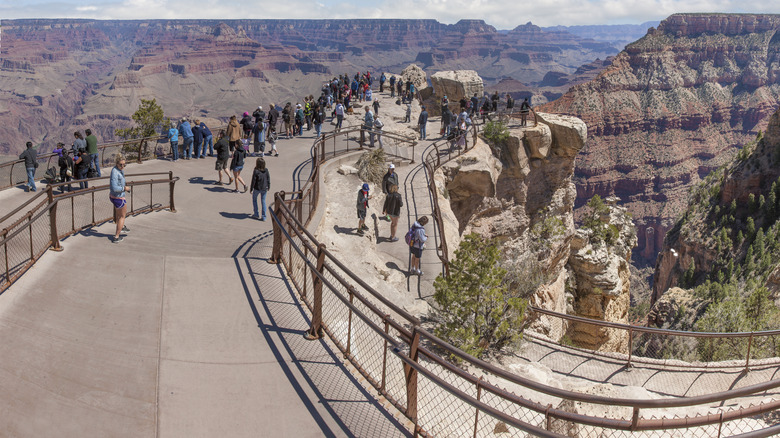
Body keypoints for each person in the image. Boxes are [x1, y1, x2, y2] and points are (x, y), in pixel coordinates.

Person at [109, 155, 132, 243]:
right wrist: (124, 188)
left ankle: (121, 227)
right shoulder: (115, 172)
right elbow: (114, 187)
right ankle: (117, 236)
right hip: (118, 197)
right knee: (122, 217)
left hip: (115, 196)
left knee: (119, 216)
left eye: (124, 165)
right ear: (116, 163)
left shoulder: (117, 170)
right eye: (120, 165)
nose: (122, 167)